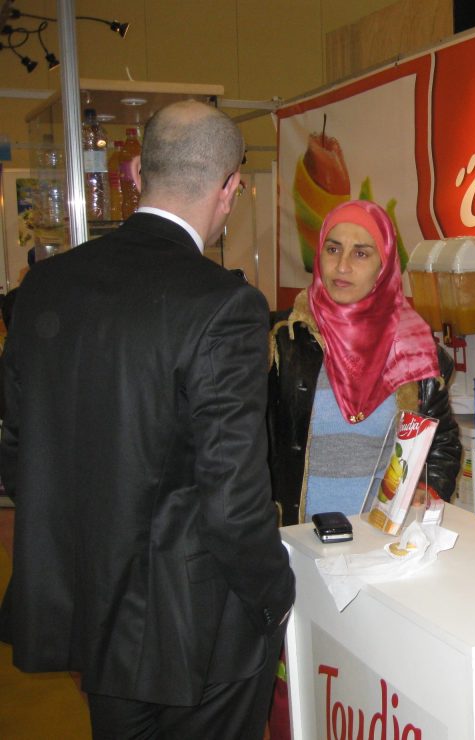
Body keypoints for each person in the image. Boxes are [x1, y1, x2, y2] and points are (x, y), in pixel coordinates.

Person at [0, 100, 295, 740]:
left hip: (93, 608)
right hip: (197, 628)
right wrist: (275, 595)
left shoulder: (45, 287)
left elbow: (19, 452)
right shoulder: (224, 305)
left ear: (136, 173)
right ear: (230, 188)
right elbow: (233, 497)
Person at [267, 199, 462, 525]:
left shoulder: (415, 351)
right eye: (333, 249)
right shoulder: (282, 339)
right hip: (297, 536)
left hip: (378, 538)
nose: (342, 266)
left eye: (361, 254)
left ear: (383, 266)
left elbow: (442, 443)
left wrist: (427, 488)